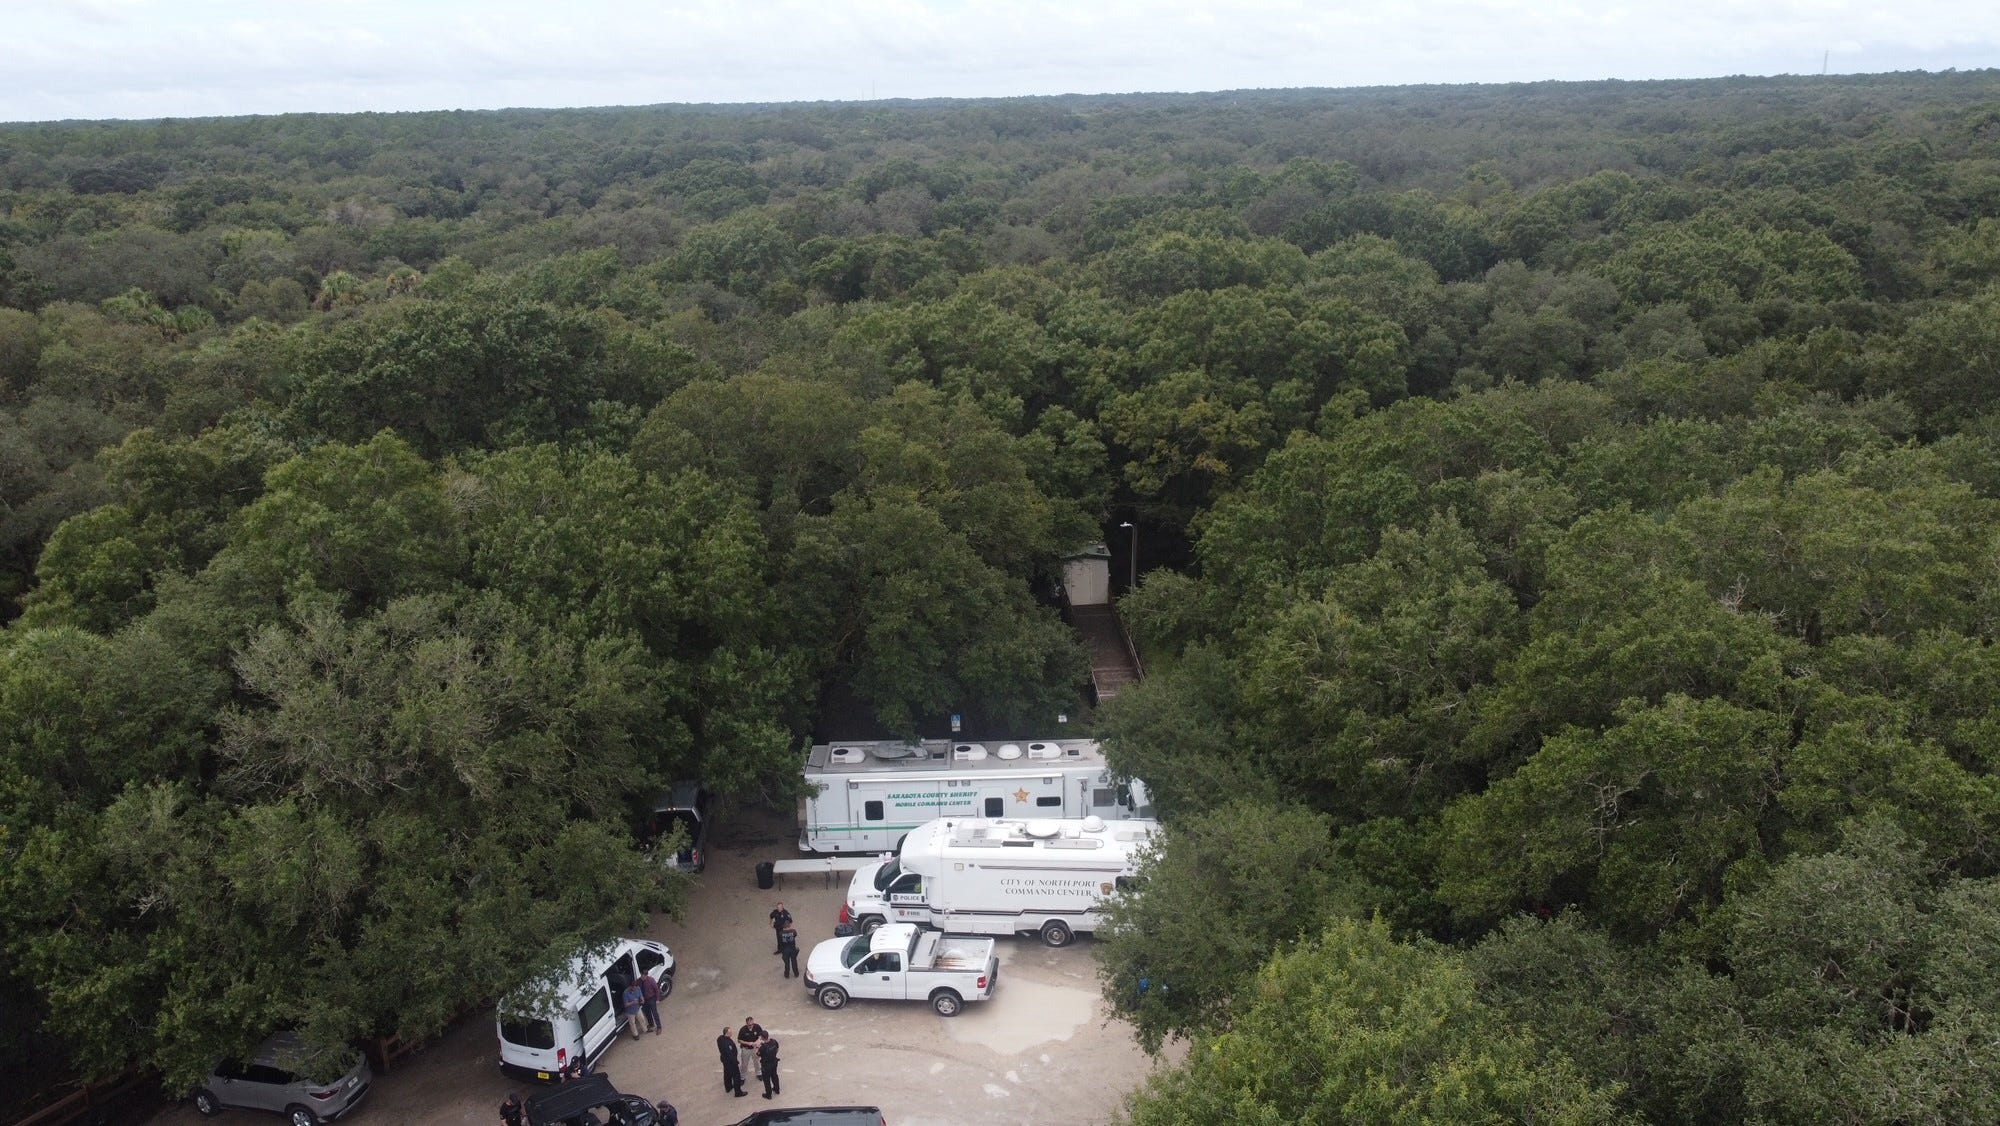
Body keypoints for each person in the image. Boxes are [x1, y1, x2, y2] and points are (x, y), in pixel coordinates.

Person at [736, 1016, 765, 1090]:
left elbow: (760, 1036)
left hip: (755, 1048)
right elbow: (739, 1040)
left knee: (757, 1062)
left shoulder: (757, 1027)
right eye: (749, 1025)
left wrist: (757, 1042)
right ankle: (742, 1077)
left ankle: (758, 1073)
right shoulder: (742, 1030)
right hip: (746, 1049)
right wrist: (748, 1043)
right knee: (744, 1064)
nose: (751, 1026)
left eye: (752, 1024)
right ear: (746, 1024)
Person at [717, 1026, 745, 1096]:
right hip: (731, 1062)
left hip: (724, 1060)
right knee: (736, 1076)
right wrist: (736, 1062)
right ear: (727, 1033)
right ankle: (738, 1092)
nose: (732, 1033)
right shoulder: (727, 1043)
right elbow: (730, 1054)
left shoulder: (720, 1039)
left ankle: (728, 1087)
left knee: (727, 1074)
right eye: (730, 1032)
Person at [638, 968, 663, 1034]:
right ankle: (651, 1024)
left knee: (654, 1013)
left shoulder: (651, 980)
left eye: (644, 976)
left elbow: (656, 989)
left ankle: (659, 1027)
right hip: (644, 1000)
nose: (643, 977)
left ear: (646, 975)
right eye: (642, 975)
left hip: (651, 999)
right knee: (647, 1013)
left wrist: (657, 999)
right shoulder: (639, 981)